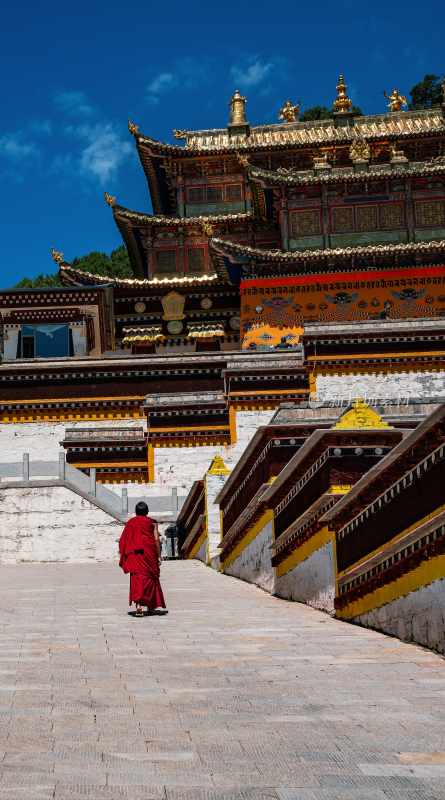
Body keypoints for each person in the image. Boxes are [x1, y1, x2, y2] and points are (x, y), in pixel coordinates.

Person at [119, 501, 166, 617]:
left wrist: (125, 554)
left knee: (137, 579)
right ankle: (150, 607)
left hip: (136, 556)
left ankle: (139, 606)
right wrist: (159, 555)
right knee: (150, 579)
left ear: (136, 512)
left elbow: (123, 540)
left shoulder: (130, 523)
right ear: (147, 512)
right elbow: (156, 540)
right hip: (149, 555)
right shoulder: (152, 523)